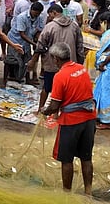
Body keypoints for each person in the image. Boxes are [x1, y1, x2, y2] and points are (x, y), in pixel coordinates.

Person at [41, 43, 96, 195]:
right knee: (86, 158)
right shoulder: (81, 68)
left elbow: (54, 105)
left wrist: (44, 111)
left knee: (67, 159)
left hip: (72, 122)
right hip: (90, 118)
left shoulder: (60, 76)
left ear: (56, 59)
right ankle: (88, 192)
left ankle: (67, 193)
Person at [28, 4, 84, 111]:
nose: (49, 17)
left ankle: (41, 108)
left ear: (54, 13)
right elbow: (80, 47)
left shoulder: (49, 27)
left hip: (52, 63)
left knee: (47, 87)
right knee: (67, 90)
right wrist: (79, 64)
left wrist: (33, 60)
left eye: (50, 15)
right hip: (70, 65)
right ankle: (61, 111)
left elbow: (40, 45)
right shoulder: (74, 26)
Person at [4, 2, 43, 87]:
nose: (36, 15)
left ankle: (28, 80)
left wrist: (37, 40)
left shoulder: (39, 18)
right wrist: (34, 43)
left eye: (38, 14)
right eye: (35, 13)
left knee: (27, 60)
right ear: (31, 10)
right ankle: (5, 80)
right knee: (10, 61)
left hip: (27, 41)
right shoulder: (22, 17)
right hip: (15, 40)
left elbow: (39, 30)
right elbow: (22, 34)